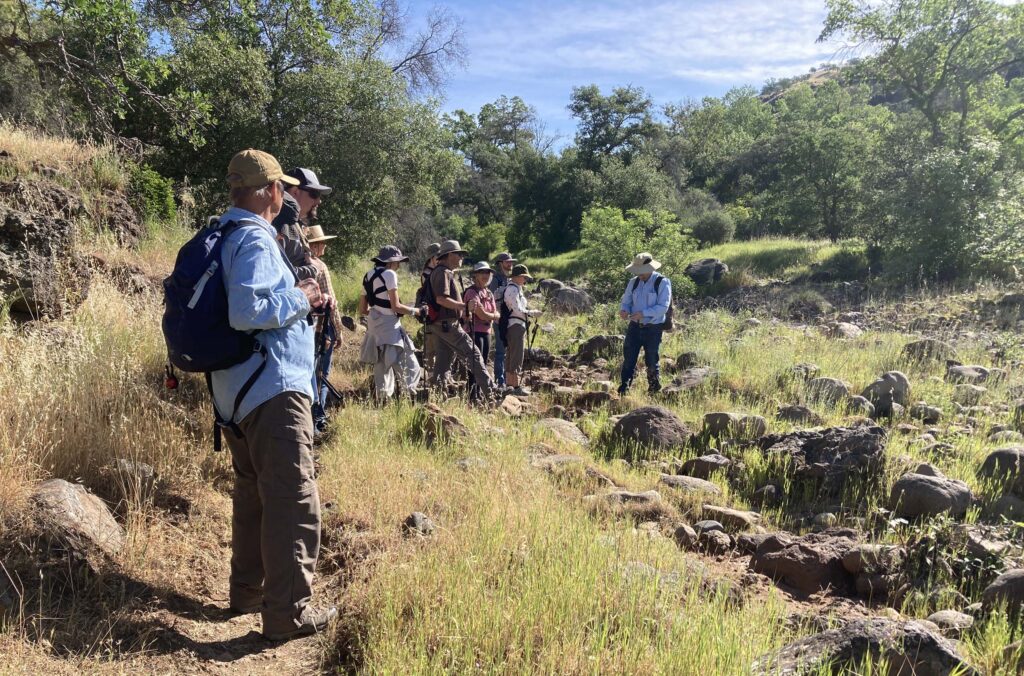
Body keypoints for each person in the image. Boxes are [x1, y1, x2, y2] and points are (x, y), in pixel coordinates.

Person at [211, 149, 335, 641]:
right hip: (273, 389)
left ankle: (247, 591)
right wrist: (302, 298)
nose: (285, 195)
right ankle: (286, 615)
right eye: (280, 187)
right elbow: (247, 311)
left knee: (253, 496)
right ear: (270, 192)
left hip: (237, 393)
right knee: (292, 499)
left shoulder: (222, 234)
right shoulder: (257, 240)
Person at [427, 240, 494, 401]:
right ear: (450, 255)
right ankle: (493, 394)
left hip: (440, 324)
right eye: (459, 254)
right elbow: (441, 299)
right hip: (447, 324)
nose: (461, 258)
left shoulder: (440, 271)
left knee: (443, 363)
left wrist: (461, 310)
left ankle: (436, 398)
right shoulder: (443, 272)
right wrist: (464, 306)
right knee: (473, 353)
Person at [358, 245, 424, 400]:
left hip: (374, 327)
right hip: (390, 327)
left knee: (381, 365)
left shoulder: (367, 276)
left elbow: (362, 309)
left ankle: (383, 400)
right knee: (410, 364)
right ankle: (409, 398)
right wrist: (417, 311)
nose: (399, 265)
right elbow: (396, 306)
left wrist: (377, 313)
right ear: (390, 262)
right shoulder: (389, 274)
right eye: (397, 262)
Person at [305, 225, 344, 433]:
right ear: (316, 245)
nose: (325, 245)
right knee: (322, 374)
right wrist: (338, 330)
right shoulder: (319, 266)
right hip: (321, 328)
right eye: (322, 242)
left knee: (309, 373)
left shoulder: (297, 264)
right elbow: (332, 302)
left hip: (303, 328)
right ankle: (318, 418)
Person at [618, 252, 672, 396]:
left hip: (653, 328)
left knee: (652, 360)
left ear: (650, 268)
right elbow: (626, 301)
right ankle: (624, 389)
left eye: (641, 271)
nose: (639, 274)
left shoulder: (662, 282)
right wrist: (624, 310)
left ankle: (654, 390)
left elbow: (663, 307)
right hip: (634, 327)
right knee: (629, 359)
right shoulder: (633, 282)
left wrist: (644, 313)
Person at [501, 263, 540, 395]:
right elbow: (517, 309)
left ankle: (510, 385)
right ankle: (515, 386)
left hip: (516, 325)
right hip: (515, 325)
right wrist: (532, 313)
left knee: (512, 354)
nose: (525, 279)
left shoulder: (516, 288)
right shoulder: (512, 289)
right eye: (524, 277)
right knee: (516, 355)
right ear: (517, 277)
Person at [463, 262, 500, 397]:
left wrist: (489, 316)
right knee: (475, 365)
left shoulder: (488, 292)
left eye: (487, 273)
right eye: (482, 272)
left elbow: (496, 313)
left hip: (486, 332)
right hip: (474, 331)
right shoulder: (471, 292)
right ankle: (472, 395)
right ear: (475, 275)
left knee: (483, 363)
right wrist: (491, 316)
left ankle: (479, 393)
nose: (485, 275)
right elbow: (481, 314)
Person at [488, 252, 516, 386]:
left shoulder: (509, 280)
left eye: (511, 262)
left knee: (508, 350)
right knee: (500, 350)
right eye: (507, 262)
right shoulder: (495, 280)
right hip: (499, 319)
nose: (510, 264)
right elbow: (489, 299)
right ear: (500, 263)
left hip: (509, 319)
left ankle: (506, 379)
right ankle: (500, 381)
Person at [417, 242, 441, 375]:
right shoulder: (427, 274)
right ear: (432, 258)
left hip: (436, 313)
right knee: (431, 347)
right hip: (431, 313)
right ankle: (431, 375)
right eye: (438, 256)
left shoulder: (433, 272)